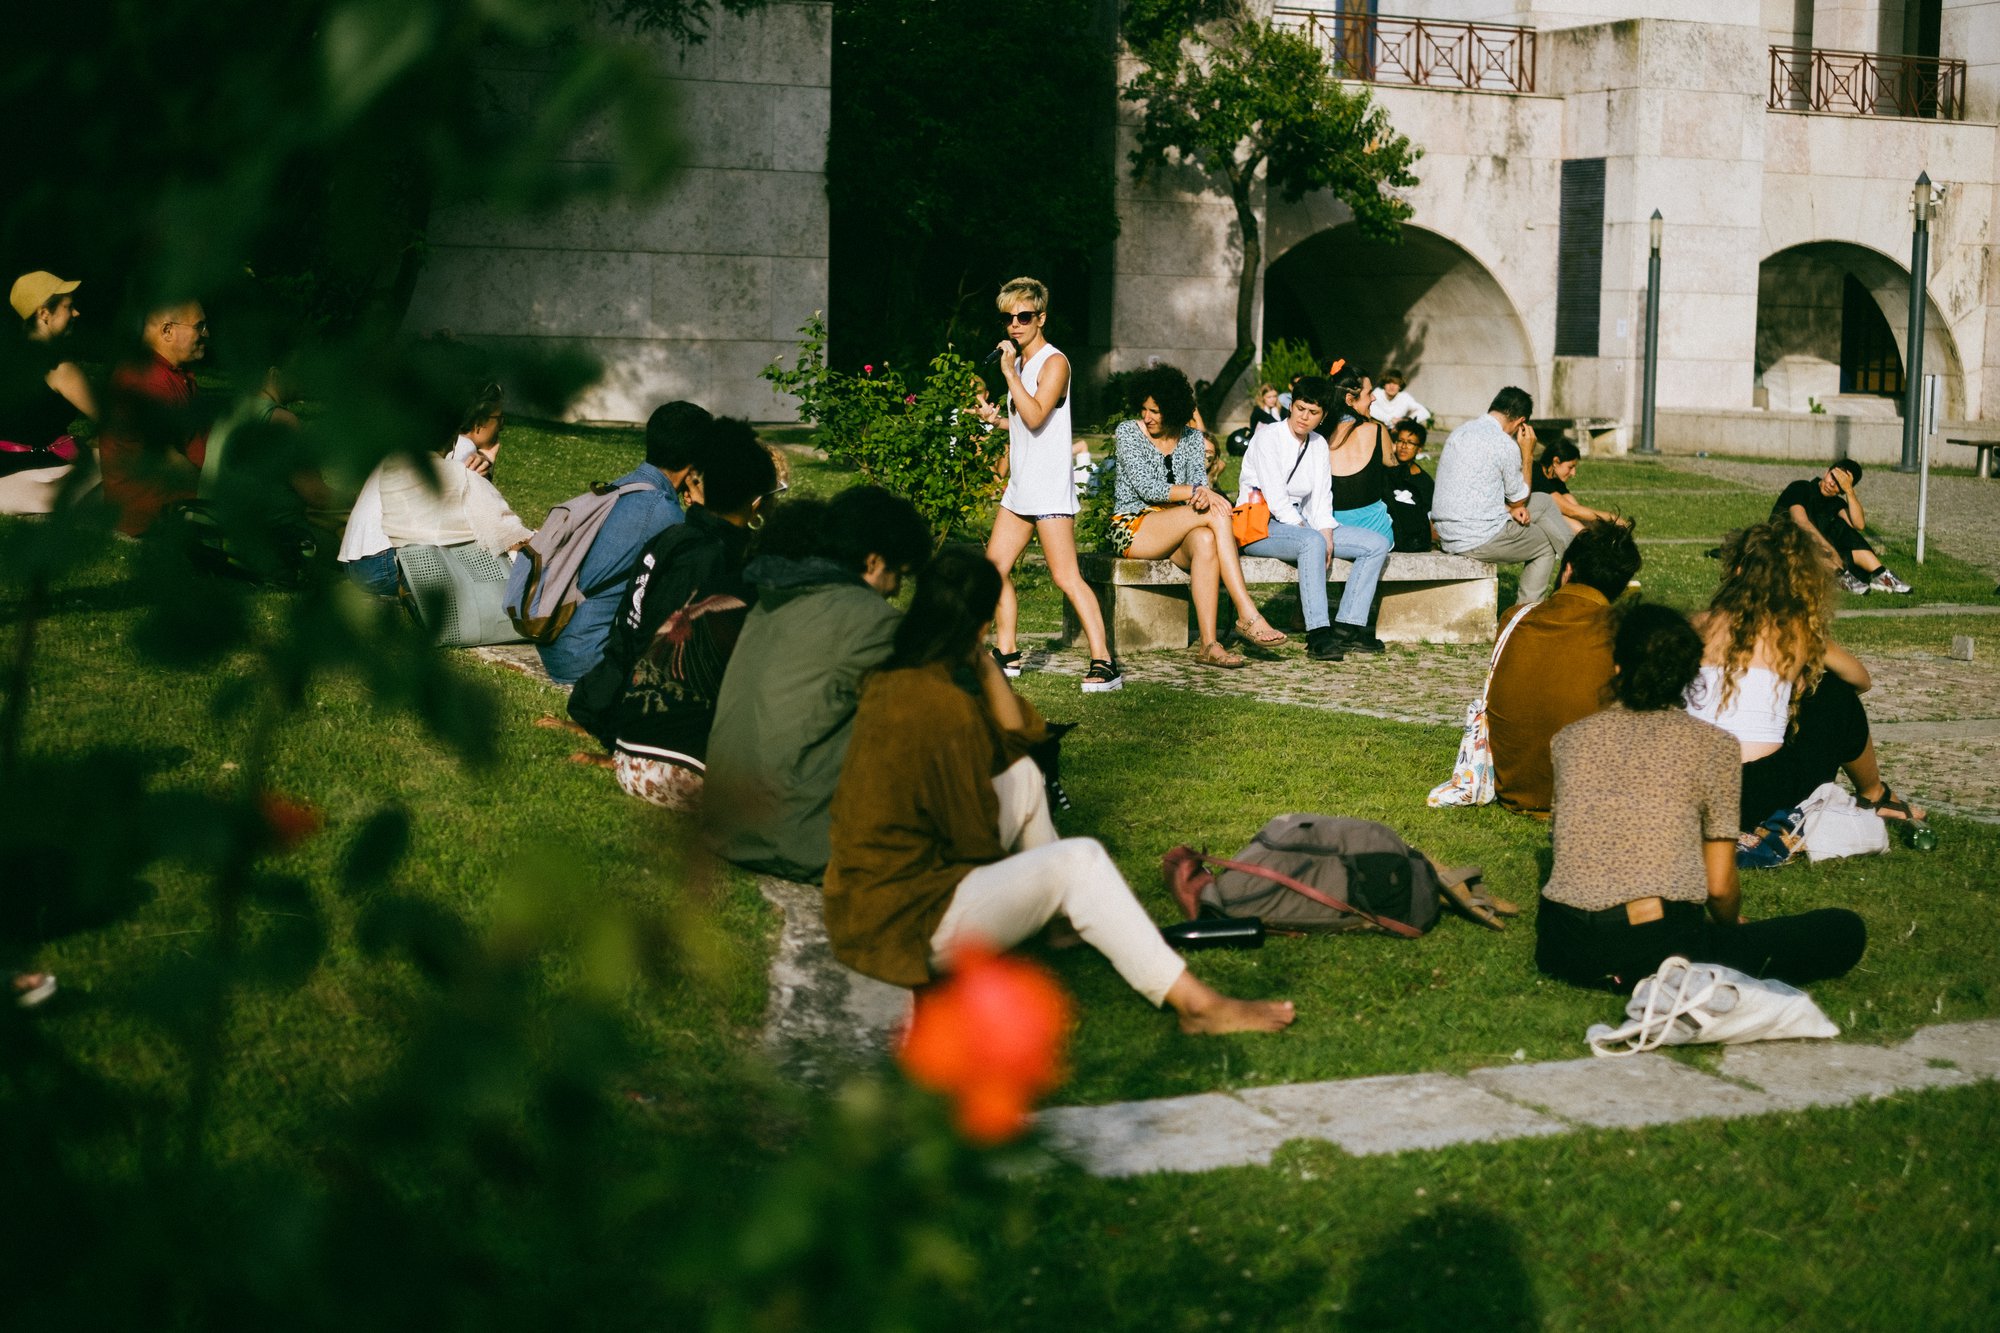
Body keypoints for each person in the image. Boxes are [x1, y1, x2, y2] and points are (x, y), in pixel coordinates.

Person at [823, 548, 1297, 1034]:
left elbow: (1023, 740)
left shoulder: (894, 678)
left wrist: (985, 666)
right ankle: (1197, 1005)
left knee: (1024, 777)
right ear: (982, 625)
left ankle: (1062, 922)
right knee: (1080, 862)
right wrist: (1040, 882)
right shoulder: (945, 709)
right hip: (906, 924)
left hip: (862, 901)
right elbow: (971, 842)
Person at [1536, 602, 1867, 993]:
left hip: (1562, 946)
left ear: (1618, 667)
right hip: (1655, 947)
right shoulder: (1713, 747)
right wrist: (1728, 926)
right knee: (1844, 930)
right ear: (1691, 675)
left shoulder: (1570, 739)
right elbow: (1720, 885)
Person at [702, 485, 932, 880]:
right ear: (874, 561)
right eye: (899, 576)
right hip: (797, 842)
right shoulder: (865, 619)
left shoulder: (776, 597)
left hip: (729, 828)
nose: (895, 592)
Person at [564, 421, 778, 809]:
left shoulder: (675, 537)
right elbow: (667, 651)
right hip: (648, 723)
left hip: (620, 704)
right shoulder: (708, 556)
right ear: (757, 503)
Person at [1687, 520, 1922, 830]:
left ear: (1737, 571)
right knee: (1833, 691)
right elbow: (1861, 680)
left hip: (1694, 789)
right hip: (1760, 797)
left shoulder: (1695, 624)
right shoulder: (1796, 630)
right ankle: (1874, 794)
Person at [978, 277, 1120, 692]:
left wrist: (1007, 374)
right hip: (1021, 486)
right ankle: (1007, 652)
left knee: (1066, 577)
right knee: (993, 570)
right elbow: (1027, 422)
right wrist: (997, 421)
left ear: (1041, 317)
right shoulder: (1020, 364)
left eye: (1023, 316)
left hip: (1049, 487)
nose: (1014, 325)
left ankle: (1104, 661)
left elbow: (1038, 415)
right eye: (1008, 318)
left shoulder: (1054, 362)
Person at [1109, 364, 1287, 668]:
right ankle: (1247, 612)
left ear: (1174, 410)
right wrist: (1198, 492)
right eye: (1144, 409)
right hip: (1134, 526)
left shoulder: (1192, 438)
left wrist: (1202, 492)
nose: (1147, 417)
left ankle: (1209, 645)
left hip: (1181, 525)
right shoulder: (1128, 431)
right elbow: (1147, 487)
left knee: (1206, 539)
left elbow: (1201, 486)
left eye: (1155, 411)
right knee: (1217, 513)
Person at [534, 400, 716, 685]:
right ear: (695, 461)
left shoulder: (624, 487)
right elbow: (698, 583)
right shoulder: (663, 513)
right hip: (590, 662)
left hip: (561, 647)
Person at [1485, 519, 1643, 817]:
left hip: (1514, 786)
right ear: (1622, 586)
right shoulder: (1624, 633)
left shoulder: (1514, 619)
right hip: (1587, 795)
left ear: (1568, 570)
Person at [1235, 376, 1388, 661]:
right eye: (1300, 408)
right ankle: (1318, 633)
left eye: (1313, 412)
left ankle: (1347, 628)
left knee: (1376, 544)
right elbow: (1277, 499)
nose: (1304, 417)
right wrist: (1314, 534)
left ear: (1323, 416)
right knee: (1312, 543)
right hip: (1261, 524)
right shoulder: (1268, 436)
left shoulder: (1317, 444)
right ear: (1291, 406)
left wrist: (1326, 530)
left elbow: (1321, 496)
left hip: (1303, 524)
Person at [338, 382, 508, 596]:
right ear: (479, 423)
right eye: (500, 419)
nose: (502, 427)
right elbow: (477, 520)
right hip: (383, 564)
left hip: (357, 561)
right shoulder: (462, 449)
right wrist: (488, 460)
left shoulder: (420, 442)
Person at [1432, 386, 1574, 607]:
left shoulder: (1460, 432)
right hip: (1475, 537)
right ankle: (1525, 614)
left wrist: (1511, 508)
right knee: (1546, 543)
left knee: (1544, 501)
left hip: (1447, 529)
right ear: (1521, 422)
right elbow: (1519, 499)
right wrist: (1527, 453)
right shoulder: (1504, 444)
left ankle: (1577, 562)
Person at [97, 299, 211, 536]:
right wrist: (221, 490)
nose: (206, 334)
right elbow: (167, 462)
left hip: (179, 504)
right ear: (168, 331)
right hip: (155, 518)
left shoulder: (173, 373)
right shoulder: (145, 380)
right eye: (199, 326)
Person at [2, 271, 96, 515]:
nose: (76, 313)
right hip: (37, 482)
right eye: (68, 307)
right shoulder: (59, 368)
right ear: (44, 313)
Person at [1773, 459, 1909, 595]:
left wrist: (1849, 491)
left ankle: (1881, 574)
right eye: (1833, 476)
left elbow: (1859, 524)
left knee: (1843, 528)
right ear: (1826, 472)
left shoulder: (1835, 502)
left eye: (1839, 484)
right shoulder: (1800, 487)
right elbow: (1801, 522)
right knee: (1808, 538)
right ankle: (1839, 576)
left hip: (1816, 557)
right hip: (1783, 550)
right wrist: (1831, 551)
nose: (1831, 484)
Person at [1324, 367, 1398, 545]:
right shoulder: (1377, 431)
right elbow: (1394, 467)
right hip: (1376, 534)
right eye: (1369, 393)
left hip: (1331, 534)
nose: (1374, 398)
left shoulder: (1319, 435)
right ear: (1350, 400)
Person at [1531, 439, 1622, 534]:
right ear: (1556, 461)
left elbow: (1576, 508)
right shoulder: (1536, 472)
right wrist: (1610, 517)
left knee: (1583, 522)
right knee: (1576, 527)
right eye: (1570, 467)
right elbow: (1571, 511)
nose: (1573, 473)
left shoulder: (1556, 480)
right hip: (1525, 519)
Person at [1383, 419, 1435, 553]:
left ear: (1419, 449)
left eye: (1410, 443)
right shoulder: (1384, 471)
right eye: (1400, 441)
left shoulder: (1424, 481)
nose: (1404, 446)